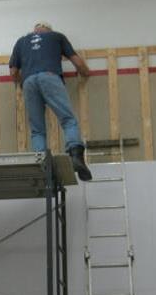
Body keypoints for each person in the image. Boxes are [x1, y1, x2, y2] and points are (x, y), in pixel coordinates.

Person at [9, 21, 93, 181]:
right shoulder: (56, 37)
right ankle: (76, 156)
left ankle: (42, 164)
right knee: (68, 120)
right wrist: (86, 73)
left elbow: (13, 72)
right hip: (50, 77)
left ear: (34, 30)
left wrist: (23, 83)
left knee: (37, 130)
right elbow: (77, 62)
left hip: (28, 82)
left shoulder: (21, 42)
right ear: (48, 30)